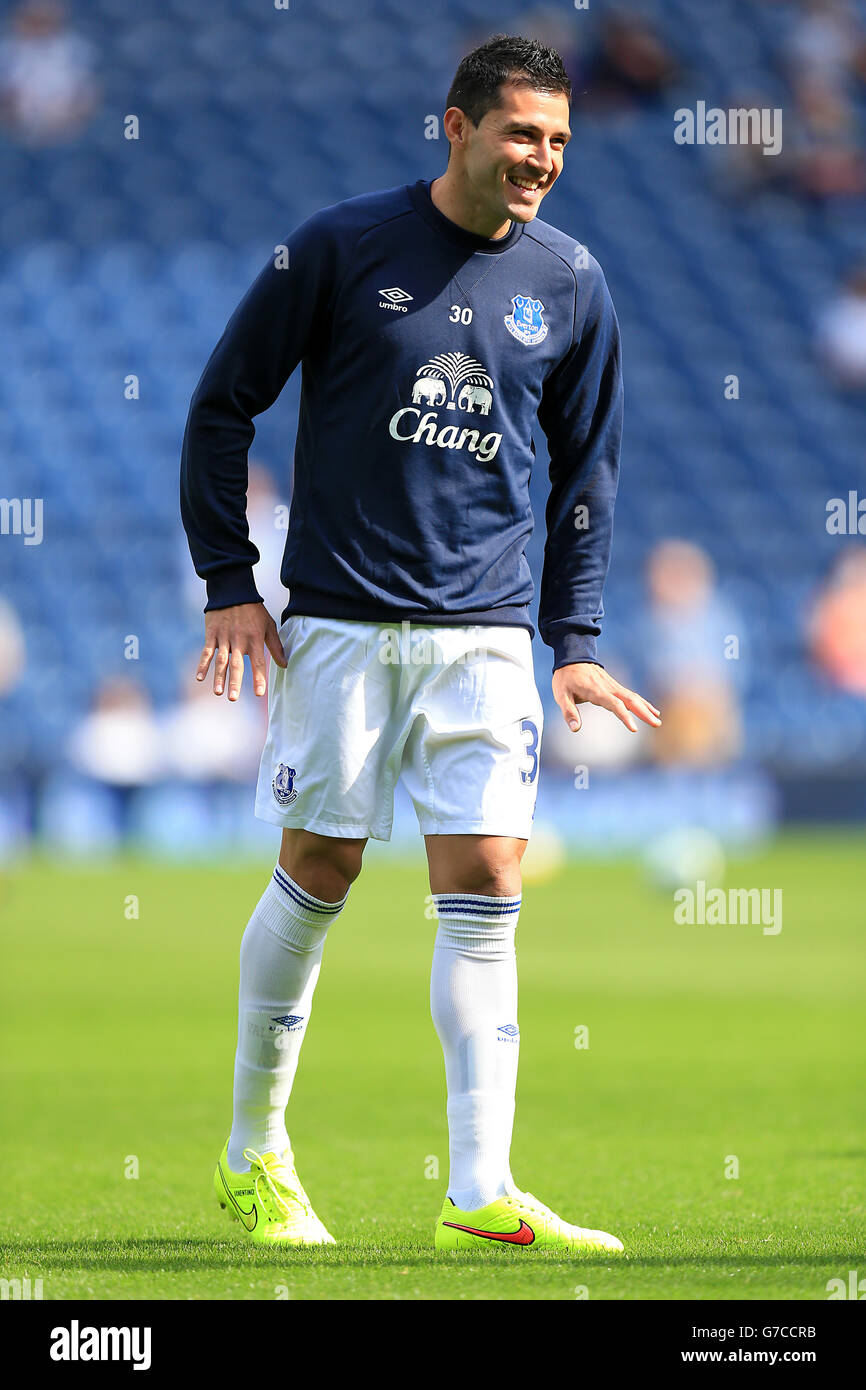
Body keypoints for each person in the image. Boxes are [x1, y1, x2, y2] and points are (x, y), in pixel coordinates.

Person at [181, 33, 661, 1254]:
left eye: (555, 140)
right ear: (452, 127)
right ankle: (253, 1152)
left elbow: (585, 473)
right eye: (518, 134)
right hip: (340, 623)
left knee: (488, 884)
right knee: (321, 869)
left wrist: (575, 635)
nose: (539, 160)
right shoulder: (340, 247)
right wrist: (228, 582)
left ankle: (478, 1188)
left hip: (486, 638)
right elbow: (220, 403)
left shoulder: (570, 282)